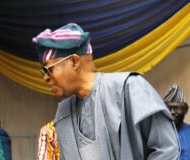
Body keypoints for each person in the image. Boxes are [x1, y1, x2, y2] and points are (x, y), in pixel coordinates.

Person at [32, 23, 180, 160]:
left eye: (48, 69)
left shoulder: (129, 88)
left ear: (74, 62)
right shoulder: (63, 113)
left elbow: (167, 149)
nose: (45, 78)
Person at [164, 84, 190, 160]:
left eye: (175, 108)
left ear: (186, 109)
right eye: (169, 108)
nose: (172, 112)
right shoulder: (157, 135)